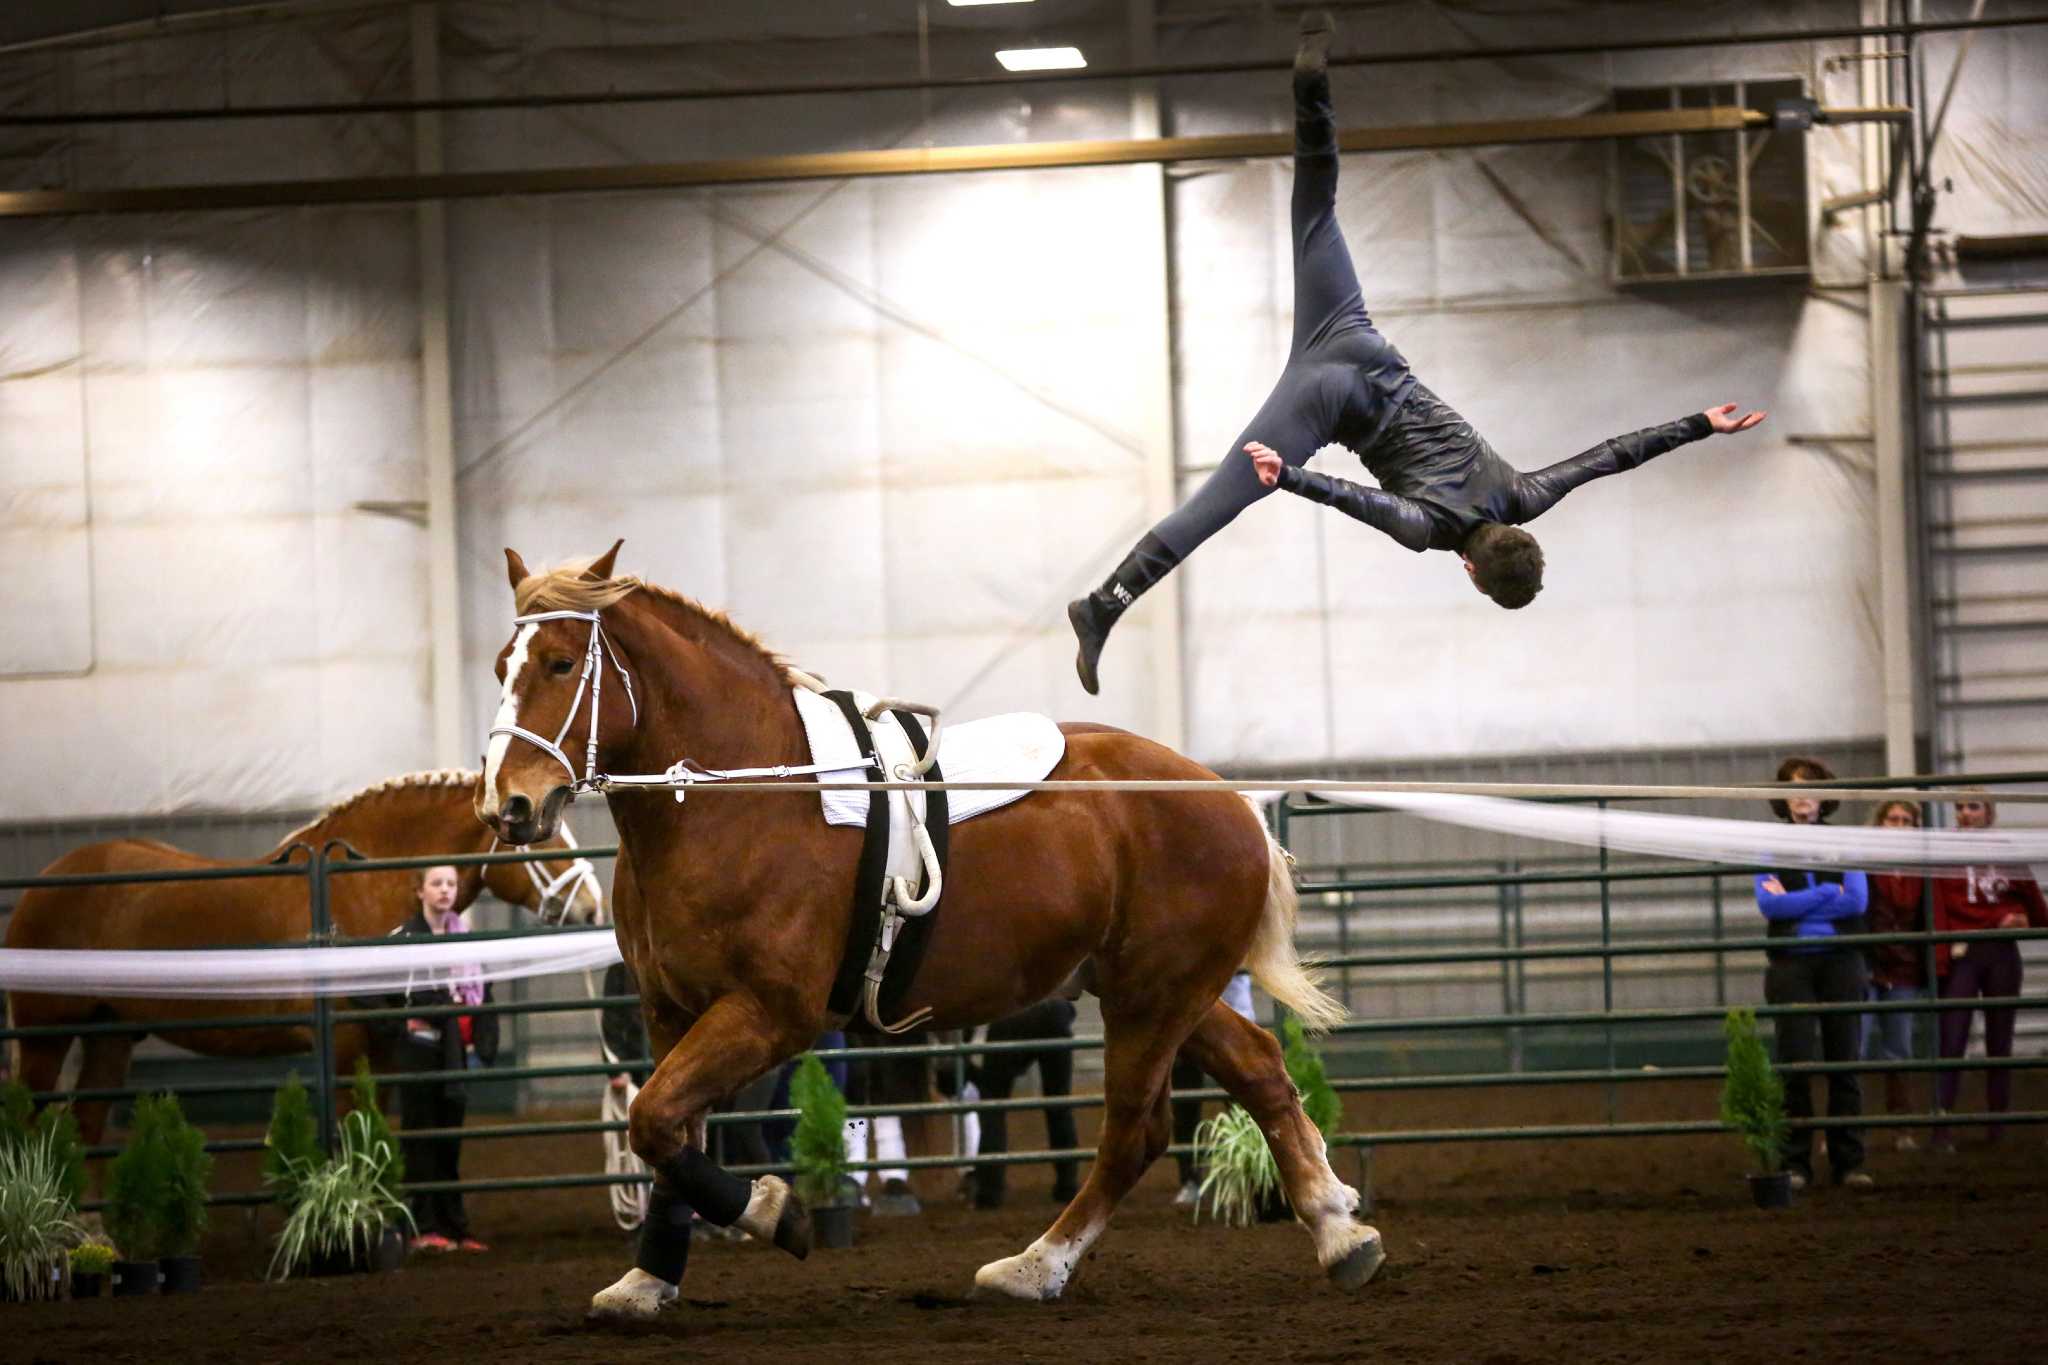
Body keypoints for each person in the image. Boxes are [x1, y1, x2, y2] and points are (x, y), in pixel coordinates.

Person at [1064, 9, 1767, 695]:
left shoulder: (1527, 493)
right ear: (1470, 572)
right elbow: (1359, 500)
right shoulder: (1430, 532)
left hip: (1357, 341)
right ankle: (1103, 604)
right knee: (1216, 506)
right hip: (1323, 401)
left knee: (1316, 211)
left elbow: (1613, 455)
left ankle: (1312, 88)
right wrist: (1289, 477)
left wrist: (1702, 423)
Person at [1754, 757, 1871, 1191]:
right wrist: (1826, 892)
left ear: (1824, 795)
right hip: (1791, 965)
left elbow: (1857, 900)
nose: (1801, 794)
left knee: (1845, 1062)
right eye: (1792, 787)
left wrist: (1799, 898)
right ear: (1783, 799)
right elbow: (1769, 905)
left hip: (1841, 960)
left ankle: (1849, 1163)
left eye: (1809, 786)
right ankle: (1797, 1163)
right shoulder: (1770, 845)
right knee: (1795, 1064)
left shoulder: (1844, 841)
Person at [382, 863, 499, 1252]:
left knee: (449, 1140)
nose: (445, 890)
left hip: (455, 1052)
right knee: (422, 1135)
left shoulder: (464, 939)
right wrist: (402, 1025)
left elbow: (483, 993)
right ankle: (424, 1225)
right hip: (418, 1053)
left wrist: (483, 1041)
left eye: (451, 884)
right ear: (421, 891)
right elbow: (373, 990)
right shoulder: (402, 938)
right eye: (437, 883)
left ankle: (455, 1226)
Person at [1931, 792, 2048, 1150]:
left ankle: (1998, 1124)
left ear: (1989, 813)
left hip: (2000, 952)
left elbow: (2038, 910)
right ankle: (1941, 1124)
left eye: (1973, 806)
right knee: (1952, 1040)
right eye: (1961, 807)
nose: (1966, 813)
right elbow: (1937, 907)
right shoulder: (1944, 852)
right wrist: (1941, 958)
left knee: (2000, 1041)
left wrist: (2022, 918)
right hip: (1963, 951)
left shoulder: (2007, 852)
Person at [957, 998, 1081, 1210]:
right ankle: (1067, 1186)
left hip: (1010, 1012)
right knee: (1059, 1103)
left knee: (992, 1106)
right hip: (1054, 1010)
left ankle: (989, 1193)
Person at [1863, 801, 1928, 1147]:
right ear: (1881, 823)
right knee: (1853, 1047)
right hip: (1870, 964)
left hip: (1903, 968)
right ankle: (1844, 1128)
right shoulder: (1867, 862)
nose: (1900, 825)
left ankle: (1902, 1126)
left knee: (1898, 1049)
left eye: (1906, 820)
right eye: (1893, 819)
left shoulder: (1922, 869)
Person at [1170, 970, 1258, 1207]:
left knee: (1241, 1104)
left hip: (1233, 1013)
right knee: (1186, 1102)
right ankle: (1190, 1178)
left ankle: (1243, 1178)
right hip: (1187, 1015)